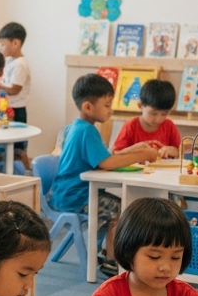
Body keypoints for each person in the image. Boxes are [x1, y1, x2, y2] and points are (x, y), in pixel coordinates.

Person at [49, 74, 159, 276]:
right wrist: (143, 155)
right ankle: (110, 259)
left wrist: (134, 149)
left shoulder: (79, 127)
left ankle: (106, 251)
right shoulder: (87, 131)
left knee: (121, 205)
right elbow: (107, 164)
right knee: (123, 209)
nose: (111, 110)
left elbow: (104, 158)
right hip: (76, 198)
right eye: (107, 105)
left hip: (67, 194)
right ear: (88, 107)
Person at [0, 22, 32, 169]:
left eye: (3, 45)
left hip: (17, 110)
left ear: (15, 43)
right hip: (6, 108)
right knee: (7, 145)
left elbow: (15, 89)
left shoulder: (20, 64)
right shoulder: (9, 61)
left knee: (18, 148)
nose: (1, 48)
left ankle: (26, 171)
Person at [111, 79, 181, 158]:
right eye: (153, 113)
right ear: (140, 105)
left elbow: (182, 152)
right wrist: (135, 150)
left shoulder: (169, 126)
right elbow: (116, 154)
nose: (158, 119)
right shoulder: (130, 126)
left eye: (164, 114)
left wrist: (175, 151)